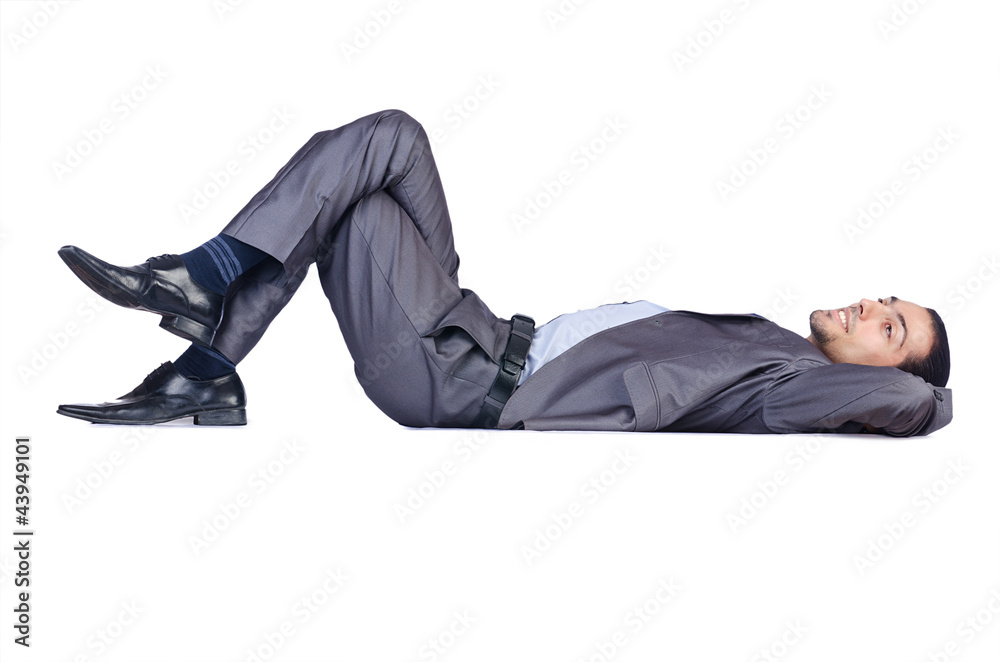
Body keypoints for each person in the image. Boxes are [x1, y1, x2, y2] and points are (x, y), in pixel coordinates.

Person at [56, 109, 953, 436]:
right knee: (388, 143)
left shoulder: (790, 389)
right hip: (474, 329)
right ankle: (207, 364)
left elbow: (914, 404)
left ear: (887, 376)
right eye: (887, 298)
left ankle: (203, 305)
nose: (870, 305)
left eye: (892, 327)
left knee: (352, 190)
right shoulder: (771, 345)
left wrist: (936, 393)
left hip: (461, 381)